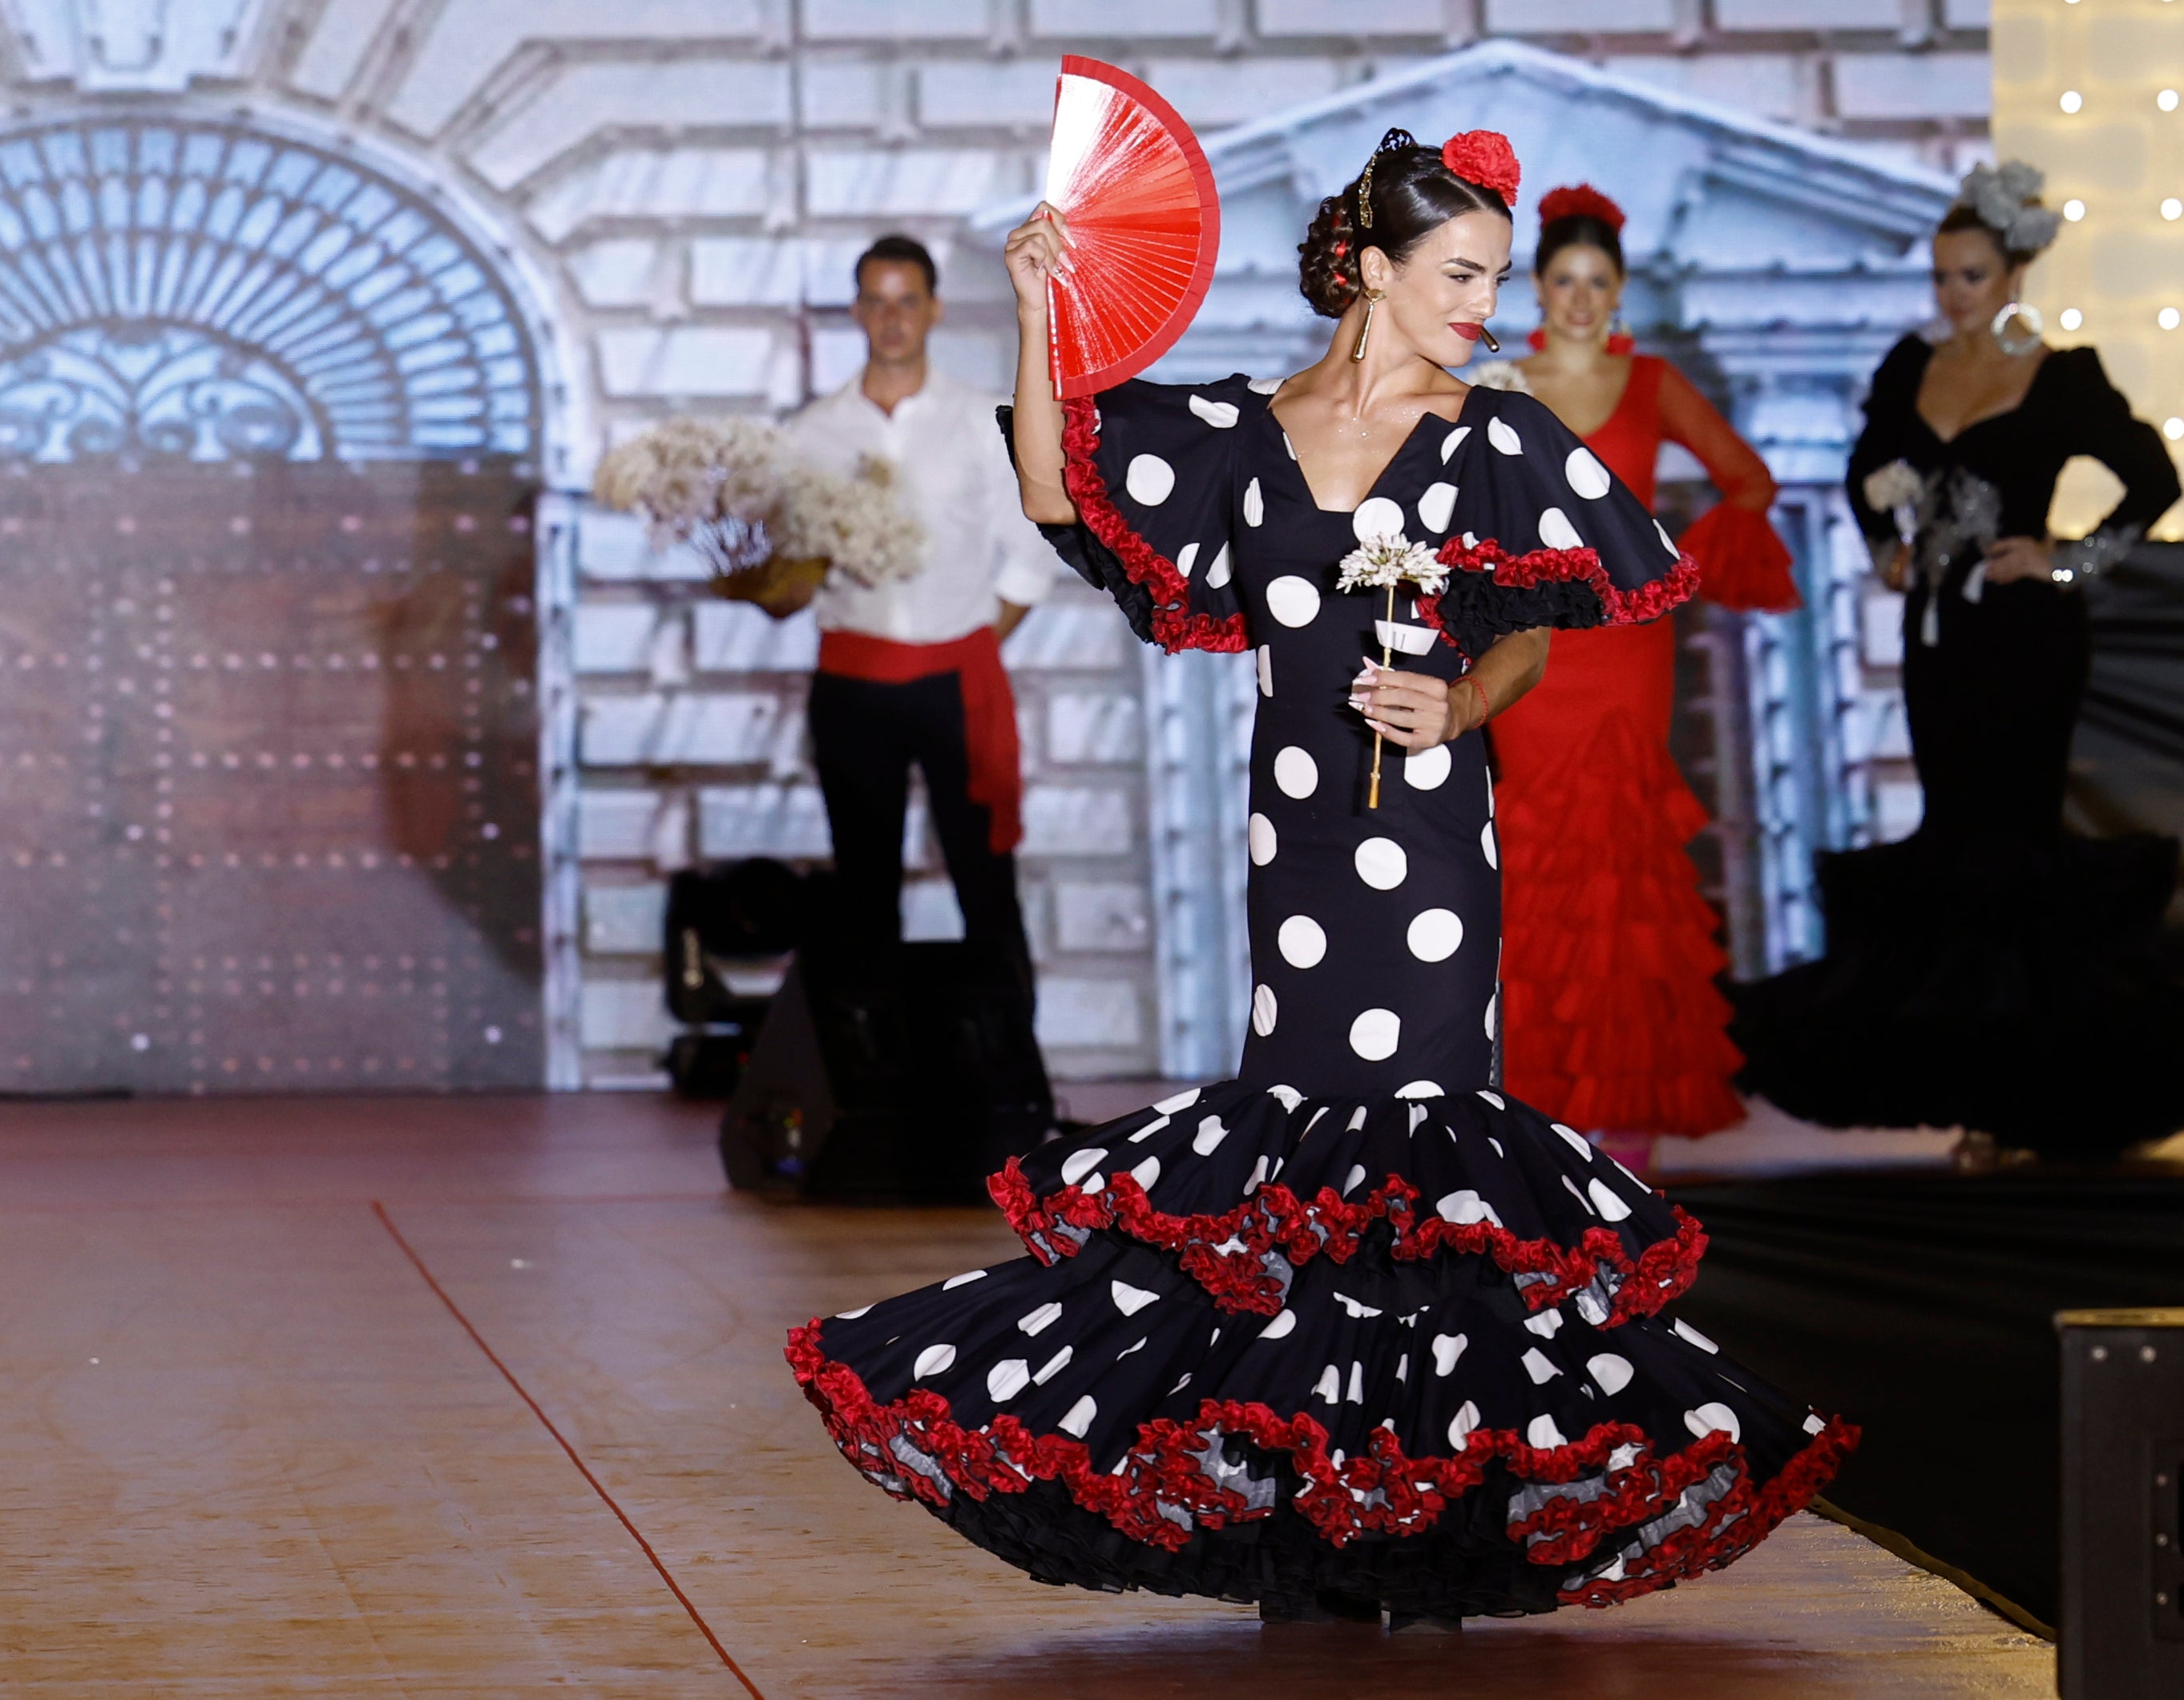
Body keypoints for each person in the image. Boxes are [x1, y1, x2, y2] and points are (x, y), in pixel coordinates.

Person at [787, 128, 1851, 1631]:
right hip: (1291, 860)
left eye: (1492, 275)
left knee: (1416, 1167)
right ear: (1369, 269)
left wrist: (1458, 704)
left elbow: (1538, 628)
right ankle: (1308, 1492)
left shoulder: (1492, 433)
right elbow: (1054, 495)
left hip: (1427, 858)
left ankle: (1415, 1515)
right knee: (1291, 1164)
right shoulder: (1238, 428)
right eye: (1460, 273)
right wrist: (1035, 314)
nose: (1483, 303)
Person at [1727, 163, 2184, 1159]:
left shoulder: (2060, 376)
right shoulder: (1911, 366)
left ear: (2014, 277)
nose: (1950, 296)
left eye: (1970, 277)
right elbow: (1864, 473)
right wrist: (1885, 548)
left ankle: (2028, 1104)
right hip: (1938, 640)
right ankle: (1983, 1095)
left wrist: (2064, 563)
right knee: (1954, 845)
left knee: (2014, 851)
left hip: (2027, 641)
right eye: (1940, 277)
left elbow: (2153, 481)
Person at [1468, 184, 1799, 1154]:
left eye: (1596, 282)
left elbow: (1749, 480)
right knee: (1532, 857)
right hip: (1535, 649)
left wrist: (1661, 565)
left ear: (1619, 292)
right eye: (1562, 280)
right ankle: (1538, 1112)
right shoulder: (1500, 385)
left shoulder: (1652, 384)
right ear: (1534, 286)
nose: (1578, 297)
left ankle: (1623, 1135)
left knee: (1618, 862)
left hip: (1624, 652)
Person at [781, 235, 1056, 998]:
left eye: (907, 301)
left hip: (952, 682)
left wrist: (973, 642)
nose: (892, 319)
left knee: (984, 880)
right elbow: (793, 573)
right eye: (877, 302)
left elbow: (1031, 545)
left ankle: (1015, 1084)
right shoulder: (812, 433)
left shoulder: (975, 419)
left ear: (933, 309)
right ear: (857, 312)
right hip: (852, 683)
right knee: (864, 888)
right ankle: (872, 1093)